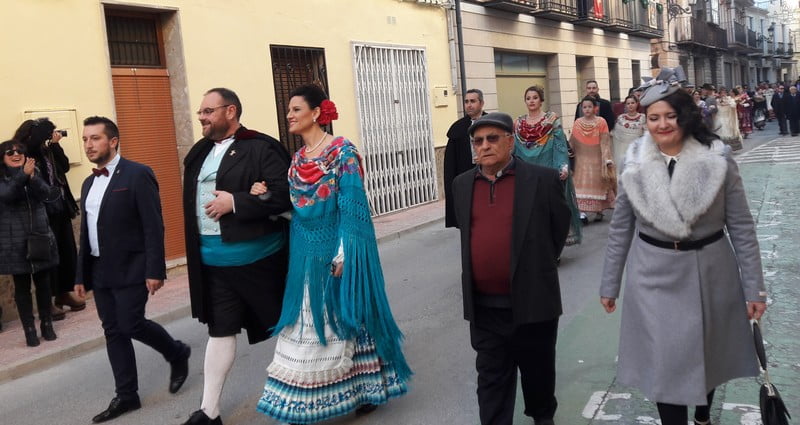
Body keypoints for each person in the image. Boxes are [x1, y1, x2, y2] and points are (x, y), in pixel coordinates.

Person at [599, 67, 767, 425]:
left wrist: (755, 287)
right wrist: (609, 284)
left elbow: (741, 225)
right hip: (652, 273)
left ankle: (703, 414)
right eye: (653, 118)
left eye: (670, 116)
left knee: (705, 352)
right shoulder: (634, 162)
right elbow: (620, 228)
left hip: (710, 270)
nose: (662, 125)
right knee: (665, 363)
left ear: (684, 116)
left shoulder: (717, 158)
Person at [255, 84, 411, 424]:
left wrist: (345, 254)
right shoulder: (297, 160)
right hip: (305, 253)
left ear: (315, 113)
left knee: (348, 319)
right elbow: (297, 209)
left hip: (336, 247)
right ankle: (310, 400)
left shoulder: (342, 152)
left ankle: (366, 389)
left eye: (296, 109)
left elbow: (352, 208)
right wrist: (266, 197)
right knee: (310, 323)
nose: (289, 115)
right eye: (289, 110)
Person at [179, 88, 291, 425]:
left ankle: (314, 392)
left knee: (291, 329)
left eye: (208, 111)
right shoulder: (198, 153)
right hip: (212, 264)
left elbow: (286, 196)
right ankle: (208, 411)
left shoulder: (261, 147)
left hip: (260, 262)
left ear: (230, 111)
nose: (201, 116)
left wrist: (237, 202)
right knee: (220, 332)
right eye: (200, 111)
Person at [452, 112, 570, 425]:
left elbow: (558, 229)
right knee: (491, 385)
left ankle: (543, 418)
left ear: (510, 141)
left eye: (492, 139)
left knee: (539, 379)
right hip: (485, 310)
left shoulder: (541, 181)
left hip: (533, 304)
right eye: (478, 141)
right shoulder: (462, 185)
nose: (485, 146)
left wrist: (534, 266)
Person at [74, 116, 191, 423]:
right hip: (100, 270)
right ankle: (127, 396)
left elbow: (153, 225)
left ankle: (176, 352)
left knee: (130, 324)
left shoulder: (138, 174)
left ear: (113, 141)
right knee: (113, 331)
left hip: (132, 267)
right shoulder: (88, 183)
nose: (88, 145)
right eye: (85, 139)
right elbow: (86, 234)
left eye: (95, 138)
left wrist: (155, 269)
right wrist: (80, 277)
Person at [13, 118, 84, 320]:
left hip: (60, 206)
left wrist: (56, 145)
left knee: (66, 250)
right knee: (48, 257)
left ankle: (64, 294)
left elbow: (65, 167)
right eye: (45, 134)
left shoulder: (47, 150)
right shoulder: (22, 153)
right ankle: (49, 300)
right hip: (40, 212)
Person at [0, 140, 60, 347]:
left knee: (44, 283)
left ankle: (47, 324)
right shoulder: (3, 178)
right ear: (3, 157)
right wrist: (23, 175)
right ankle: (29, 330)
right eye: (10, 152)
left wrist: (33, 177)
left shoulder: (34, 171)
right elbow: (7, 195)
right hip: (13, 241)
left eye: (20, 151)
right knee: (22, 288)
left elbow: (47, 195)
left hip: (39, 236)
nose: (16, 154)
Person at [514, 86, 581, 246]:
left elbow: (559, 147)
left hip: (548, 172)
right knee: (532, 211)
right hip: (528, 175)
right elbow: (515, 150)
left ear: (541, 100)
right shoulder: (519, 123)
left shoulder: (551, 120)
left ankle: (553, 247)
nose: (531, 101)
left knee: (549, 210)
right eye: (528, 98)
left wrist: (562, 166)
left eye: (535, 97)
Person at [444, 88, 486, 228]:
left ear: (481, 103)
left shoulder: (492, 123)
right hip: (467, 180)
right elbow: (450, 165)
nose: (469, 105)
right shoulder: (457, 128)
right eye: (466, 101)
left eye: (473, 101)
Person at [571, 96, 616, 223]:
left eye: (589, 106)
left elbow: (605, 141)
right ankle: (582, 213)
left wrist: (606, 158)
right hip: (581, 159)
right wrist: (568, 154)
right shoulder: (577, 123)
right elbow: (572, 142)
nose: (587, 109)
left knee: (599, 186)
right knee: (579, 187)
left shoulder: (601, 122)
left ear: (595, 108)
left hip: (597, 158)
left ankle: (599, 211)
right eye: (584, 107)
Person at [612, 95, 647, 174]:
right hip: (622, 151)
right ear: (625, 105)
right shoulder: (621, 118)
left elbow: (646, 135)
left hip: (637, 150)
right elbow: (616, 135)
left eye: (632, 103)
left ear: (637, 104)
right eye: (628, 103)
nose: (630, 105)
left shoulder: (643, 117)